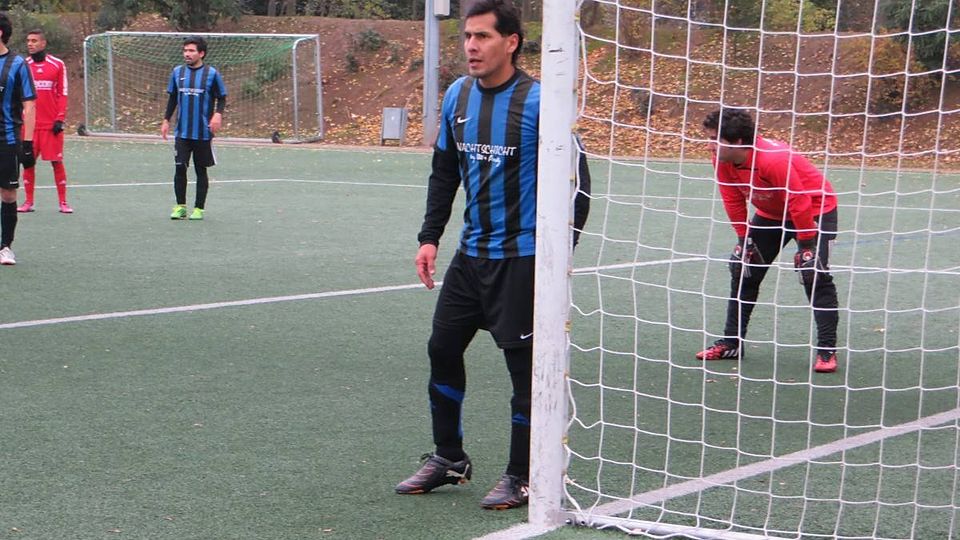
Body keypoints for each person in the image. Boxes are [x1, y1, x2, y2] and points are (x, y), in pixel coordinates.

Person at [395, 0, 590, 510]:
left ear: (511, 42)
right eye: (467, 36)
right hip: (471, 255)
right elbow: (444, 172)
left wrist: (556, 261)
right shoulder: (458, 95)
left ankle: (523, 475)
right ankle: (449, 458)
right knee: (442, 348)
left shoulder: (540, 102)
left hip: (522, 259)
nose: (471, 46)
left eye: (482, 36)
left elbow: (579, 187)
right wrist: (430, 237)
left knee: (524, 371)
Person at [697, 107, 840, 373]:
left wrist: (807, 245)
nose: (710, 145)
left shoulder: (773, 160)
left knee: (813, 273)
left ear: (738, 141)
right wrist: (744, 239)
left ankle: (827, 350)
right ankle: (732, 343)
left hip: (815, 208)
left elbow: (799, 201)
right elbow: (732, 197)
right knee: (744, 269)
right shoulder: (721, 159)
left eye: (715, 139)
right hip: (771, 212)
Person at [160, 36, 226, 221]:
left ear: (201, 53)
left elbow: (222, 97)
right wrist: (166, 120)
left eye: (191, 51)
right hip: (182, 132)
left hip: (203, 132)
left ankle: (199, 208)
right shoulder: (177, 72)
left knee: (200, 169)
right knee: (180, 168)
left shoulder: (211, 74)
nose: (187, 54)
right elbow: (173, 98)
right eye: (185, 50)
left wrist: (218, 114)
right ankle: (180, 207)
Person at [18, 29, 71, 214]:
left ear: (43, 43)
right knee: (28, 162)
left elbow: (63, 93)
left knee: (56, 162)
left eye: (34, 41)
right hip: (29, 126)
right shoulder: (23, 65)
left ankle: (63, 202)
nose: (30, 44)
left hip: (50, 125)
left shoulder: (57, 64)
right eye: (28, 41)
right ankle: (28, 202)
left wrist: (60, 118)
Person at [0, 13, 37, 265]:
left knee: (8, 193)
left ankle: (5, 247)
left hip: (8, 139)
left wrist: (28, 143)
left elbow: (30, 105)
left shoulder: (18, 64)